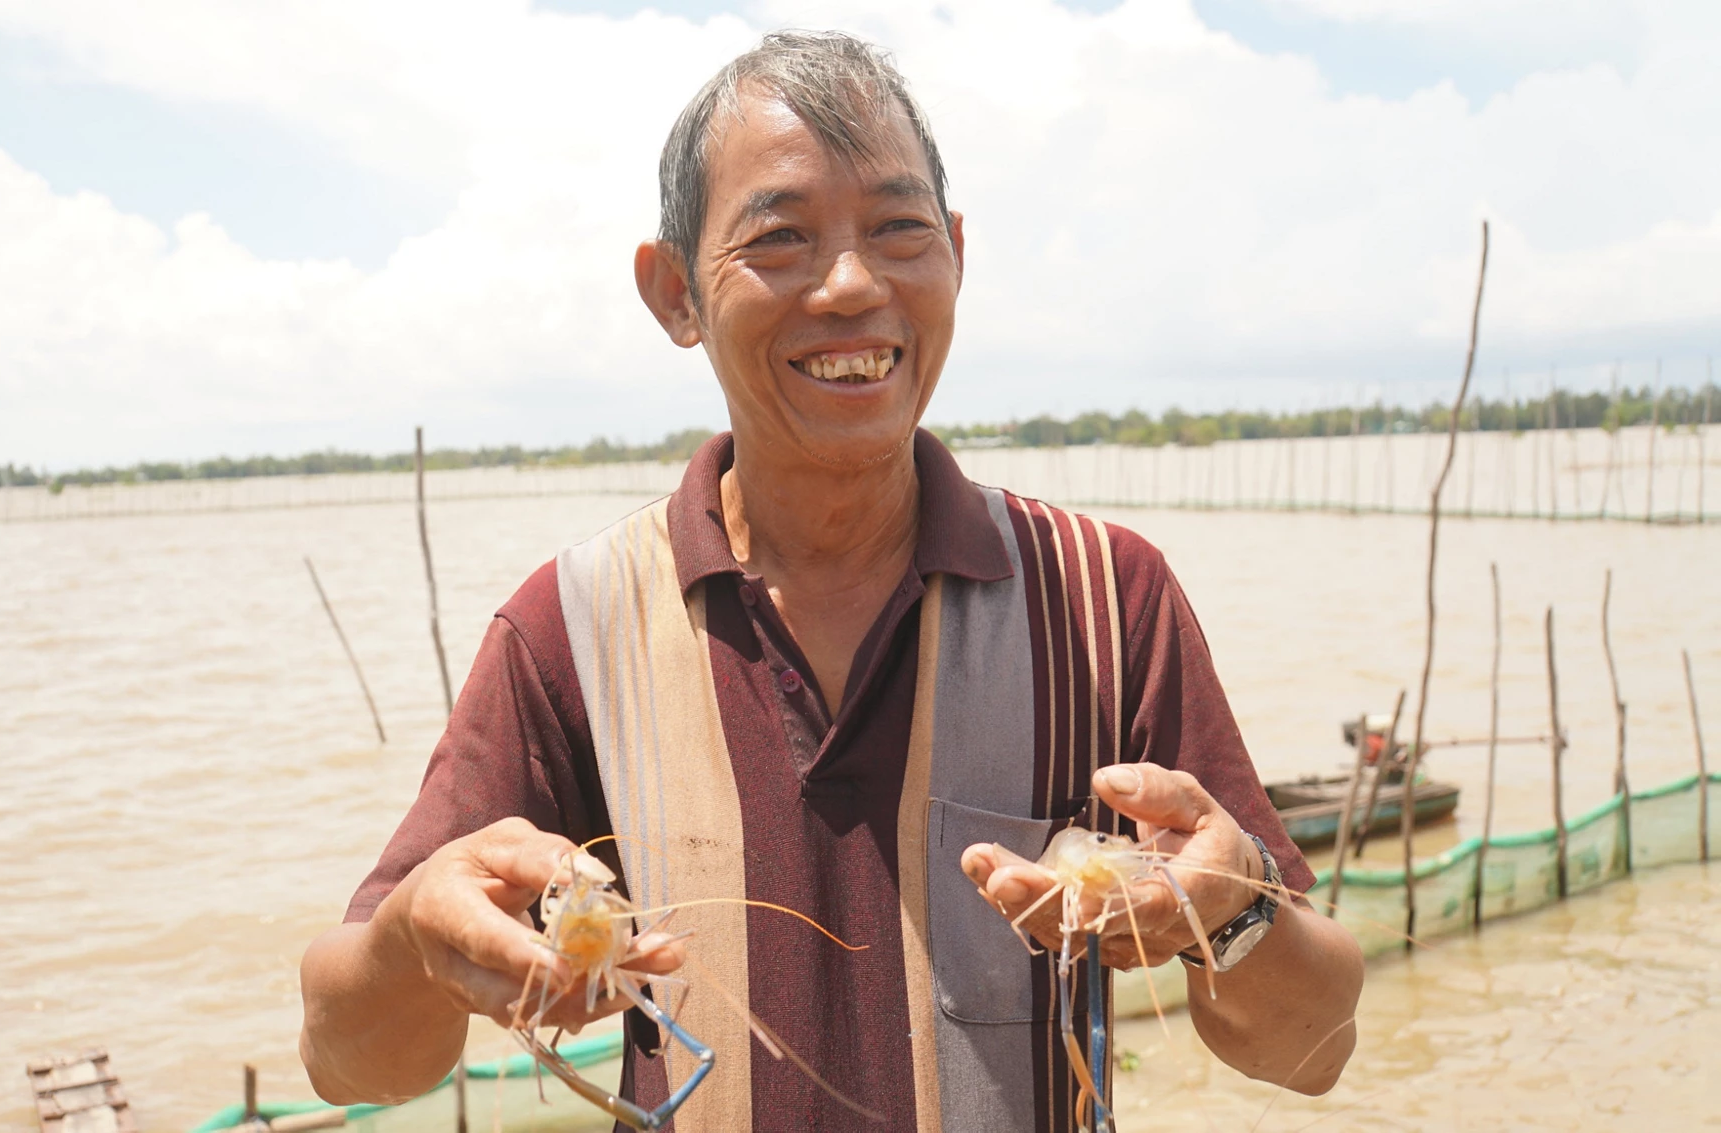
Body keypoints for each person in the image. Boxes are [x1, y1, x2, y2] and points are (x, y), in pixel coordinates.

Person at [299, 29, 1363, 1132]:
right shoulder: (569, 628)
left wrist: (1229, 914)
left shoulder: (1105, 597)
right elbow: (347, 1063)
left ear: (954, 253)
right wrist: (410, 939)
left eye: (899, 229)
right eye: (781, 239)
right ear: (672, 294)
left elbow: (1313, 1047)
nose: (852, 284)